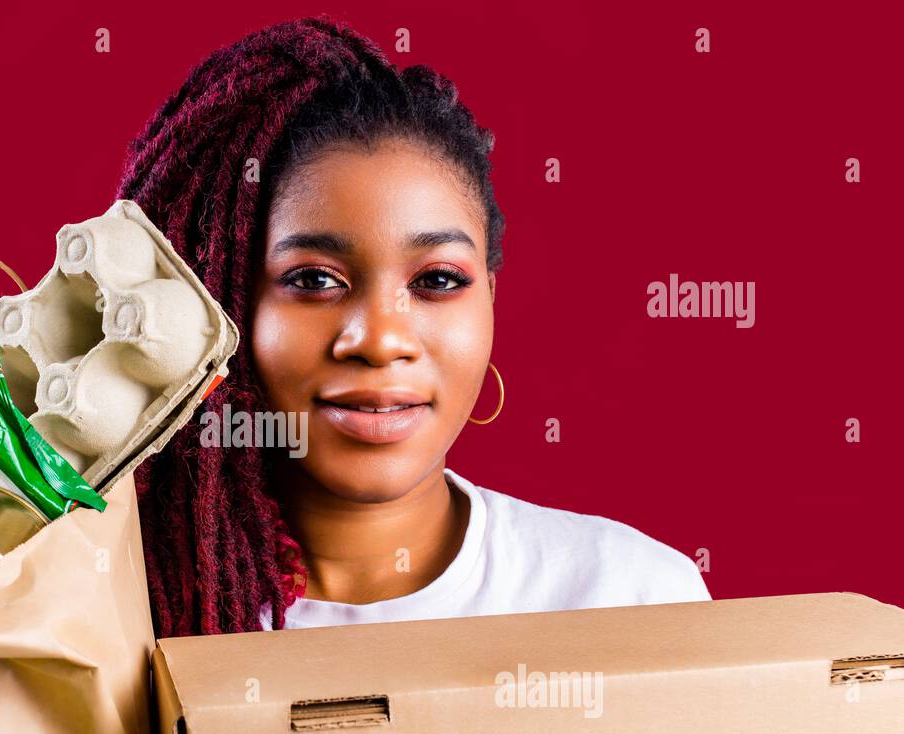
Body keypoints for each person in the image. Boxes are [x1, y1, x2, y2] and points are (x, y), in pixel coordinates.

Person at [116, 16, 709, 641]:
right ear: (217, 304)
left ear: (490, 303)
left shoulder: (631, 601)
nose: (379, 340)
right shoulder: (105, 620)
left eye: (437, 282)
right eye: (315, 280)